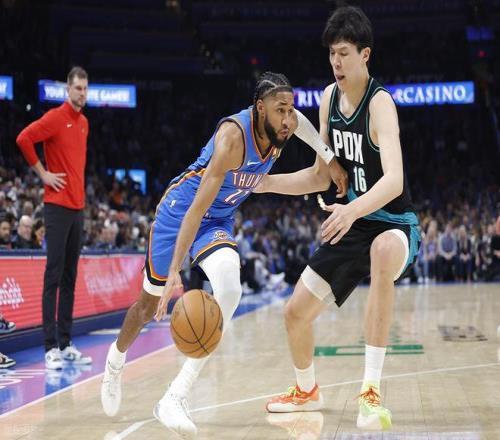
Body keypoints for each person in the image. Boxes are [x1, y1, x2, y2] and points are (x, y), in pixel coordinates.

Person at [100, 71, 348, 438]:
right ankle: (115, 360)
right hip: (180, 213)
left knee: (230, 287)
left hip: (218, 219)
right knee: (147, 306)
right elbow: (195, 210)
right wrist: (175, 270)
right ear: (259, 108)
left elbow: (304, 129)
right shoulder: (232, 138)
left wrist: (328, 158)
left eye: (290, 110)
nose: (287, 119)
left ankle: (175, 396)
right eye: (280, 110)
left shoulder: (284, 124)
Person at [259, 7, 420, 431]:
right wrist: (264, 184)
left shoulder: (380, 104)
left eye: (344, 53)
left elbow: (394, 180)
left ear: (365, 55)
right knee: (294, 313)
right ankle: (306, 390)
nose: (336, 62)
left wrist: (351, 208)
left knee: (382, 251)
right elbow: (319, 175)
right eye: (332, 54)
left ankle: (371, 392)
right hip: (352, 222)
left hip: (393, 223)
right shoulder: (328, 98)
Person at [16, 66, 92, 370]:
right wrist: (43, 173)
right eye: (78, 88)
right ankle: (50, 347)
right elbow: (24, 138)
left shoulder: (84, 123)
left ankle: (66, 343)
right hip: (57, 207)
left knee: (70, 277)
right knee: (54, 275)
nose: (82, 93)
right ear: (68, 90)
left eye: (85, 88)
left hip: (77, 208)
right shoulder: (55, 117)